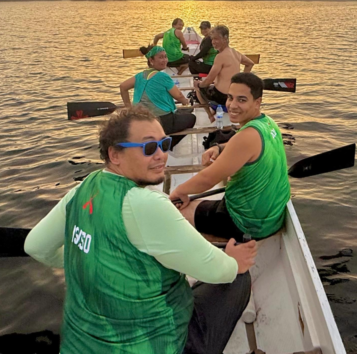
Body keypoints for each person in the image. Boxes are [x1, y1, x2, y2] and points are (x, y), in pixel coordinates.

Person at [24, 106, 258, 354]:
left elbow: (35, 246)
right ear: (115, 154)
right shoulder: (146, 204)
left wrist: (89, 259)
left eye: (165, 144)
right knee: (238, 279)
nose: (161, 155)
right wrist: (234, 262)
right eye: (148, 148)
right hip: (155, 344)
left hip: (80, 345)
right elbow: (216, 269)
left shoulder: (81, 190)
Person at [170, 73, 290, 242]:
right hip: (270, 218)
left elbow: (208, 179)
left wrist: (179, 191)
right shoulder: (268, 123)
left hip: (246, 223)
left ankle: (215, 243)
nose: (232, 105)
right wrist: (220, 148)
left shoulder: (246, 136)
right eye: (230, 97)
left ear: (257, 102)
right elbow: (248, 147)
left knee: (177, 212)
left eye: (241, 100)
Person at [119, 46, 196, 149]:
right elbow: (179, 96)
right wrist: (185, 101)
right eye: (160, 57)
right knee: (192, 118)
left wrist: (129, 108)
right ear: (151, 60)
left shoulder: (140, 76)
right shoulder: (163, 77)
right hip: (161, 122)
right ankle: (169, 145)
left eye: (165, 57)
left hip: (141, 121)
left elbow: (123, 87)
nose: (164, 60)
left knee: (180, 114)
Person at [194, 25, 255, 122]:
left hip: (222, 97)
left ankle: (210, 115)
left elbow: (209, 80)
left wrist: (199, 84)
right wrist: (242, 80)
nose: (213, 42)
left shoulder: (220, 56)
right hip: (234, 94)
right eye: (212, 39)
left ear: (225, 38)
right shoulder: (235, 52)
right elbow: (250, 64)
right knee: (211, 85)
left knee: (197, 88)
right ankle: (214, 111)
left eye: (216, 39)